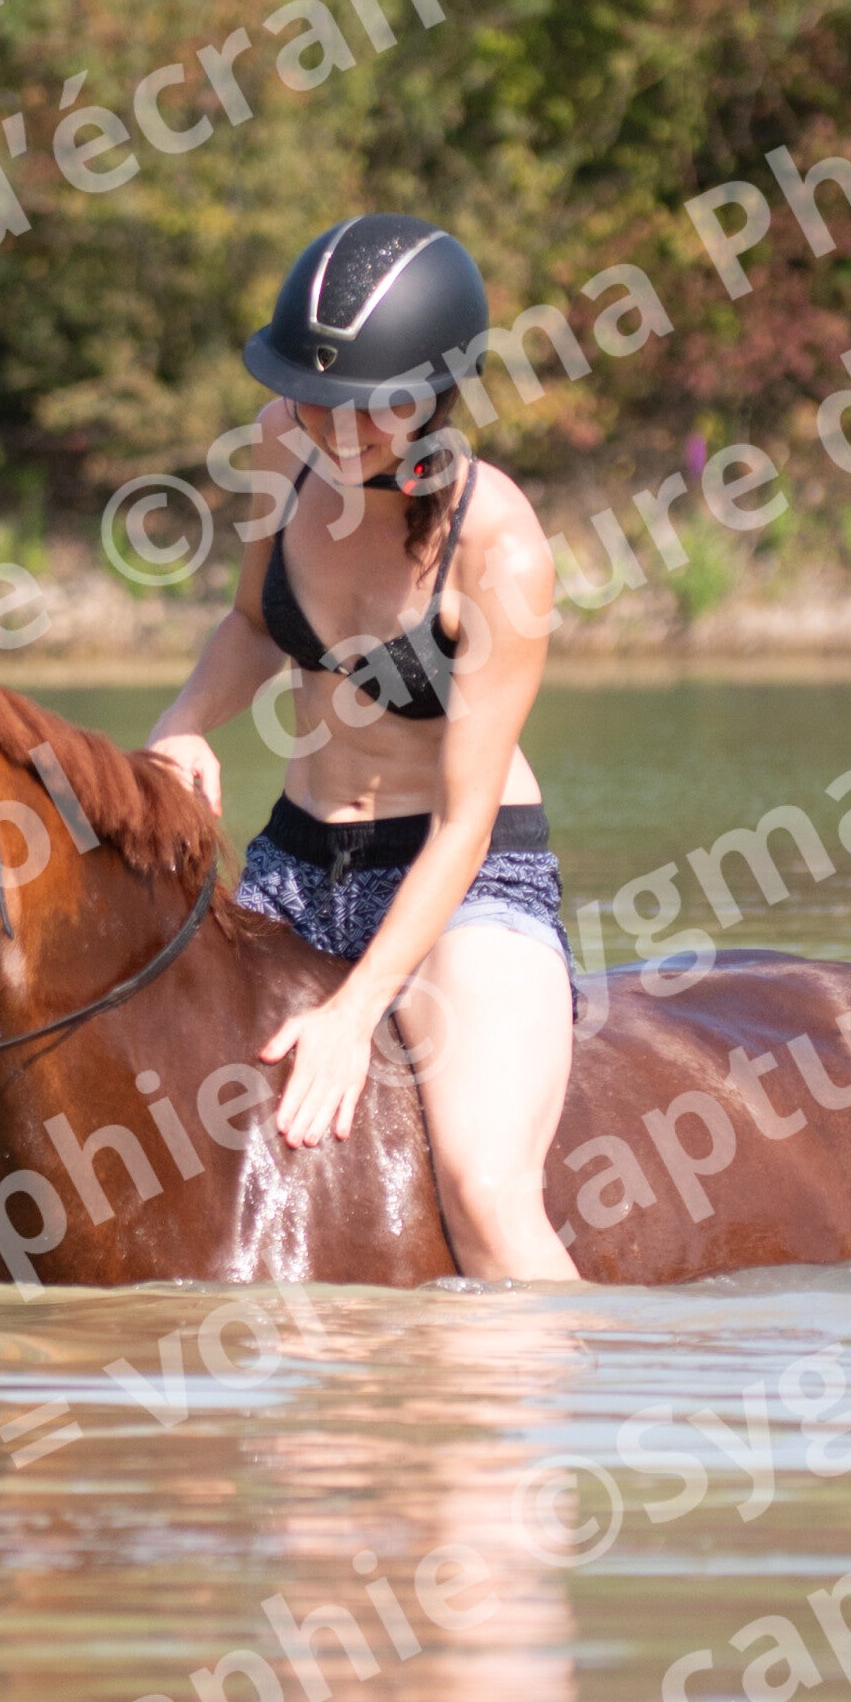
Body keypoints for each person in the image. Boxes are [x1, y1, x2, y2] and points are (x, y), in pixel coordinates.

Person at [146, 213, 579, 1284]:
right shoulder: (280, 444)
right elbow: (253, 624)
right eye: (317, 397)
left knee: (486, 1191)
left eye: (372, 405)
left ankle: (571, 1376)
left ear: (436, 392)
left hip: (464, 883)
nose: (337, 429)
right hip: (293, 867)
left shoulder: (499, 546)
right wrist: (180, 725)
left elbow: (463, 824)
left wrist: (352, 1013)